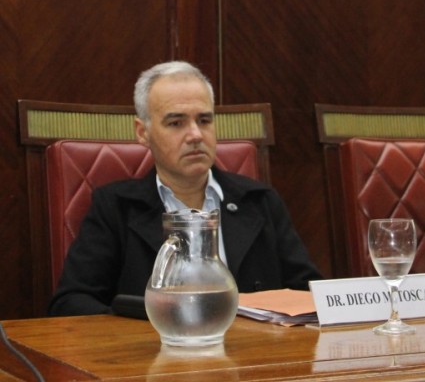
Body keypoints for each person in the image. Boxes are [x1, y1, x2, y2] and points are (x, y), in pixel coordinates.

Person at [49, 61, 321, 315]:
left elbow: (309, 293)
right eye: (176, 123)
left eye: (204, 120)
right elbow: (71, 302)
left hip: (254, 357)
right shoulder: (115, 207)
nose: (195, 135)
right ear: (142, 133)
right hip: (154, 357)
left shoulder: (259, 201)